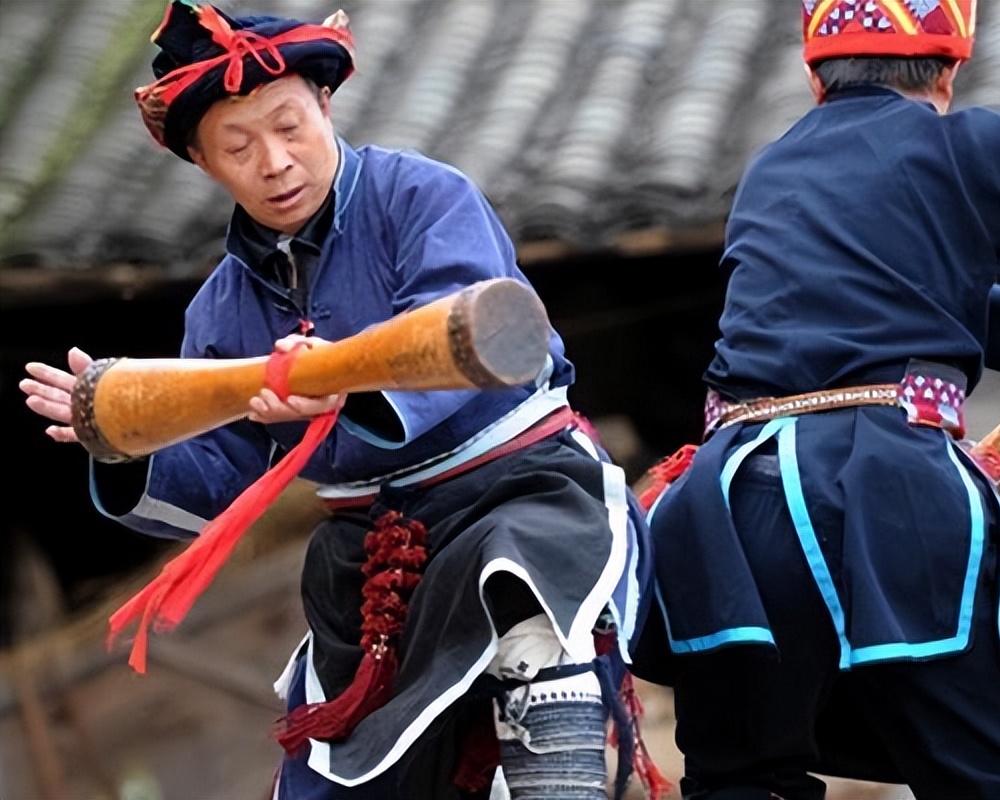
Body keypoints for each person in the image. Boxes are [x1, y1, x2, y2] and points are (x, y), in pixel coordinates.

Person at [19, 3, 657, 798]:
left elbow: (466, 330)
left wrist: (333, 387)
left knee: (524, 594)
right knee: (334, 775)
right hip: (367, 557)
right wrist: (122, 441)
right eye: (238, 146)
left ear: (324, 104)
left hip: (514, 490)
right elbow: (225, 473)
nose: (275, 162)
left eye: (289, 126)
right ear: (203, 161)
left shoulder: (423, 197)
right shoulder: (218, 311)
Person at [629, 2, 1000, 799]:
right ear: (949, 69)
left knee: (742, 782)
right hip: (883, 494)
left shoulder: (771, 170)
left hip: (730, 516)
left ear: (813, 76)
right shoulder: (959, 146)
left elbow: (872, 301)